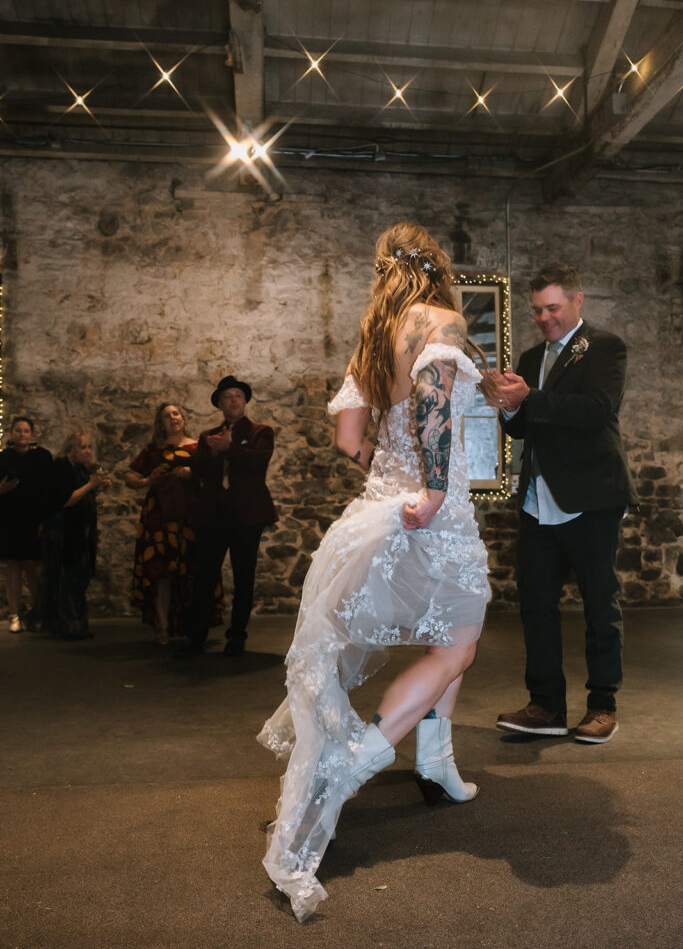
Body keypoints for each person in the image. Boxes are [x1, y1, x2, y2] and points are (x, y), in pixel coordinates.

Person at [257, 223, 490, 921]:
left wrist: (391, 479)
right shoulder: (439, 321)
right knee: (456, 645)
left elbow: (348, 438)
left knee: (447, 636)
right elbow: (432, 405)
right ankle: (364, 752)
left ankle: (436, 764)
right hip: (430, 511)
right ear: (438, 269)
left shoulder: (372, 335)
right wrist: (435, 488)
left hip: (379, 509)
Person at [485, 263, 637, 744]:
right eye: (537, 311)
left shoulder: (606, 347)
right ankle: (546, 706)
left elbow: (597, 411)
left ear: (578, 300)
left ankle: (602, 706)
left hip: (592, 496)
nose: (545, 318)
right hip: (537, 499)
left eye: (553, 307)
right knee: (535, 605)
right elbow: (524, 428)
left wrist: (531, 397)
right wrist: (509, 408)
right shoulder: (530, 357)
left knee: (599, 603)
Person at [181, 375, 277, 657]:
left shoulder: (261, 432)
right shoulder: (208, 435)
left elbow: (258, 463)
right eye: (227, 397)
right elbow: (198, 471)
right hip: (213, 515)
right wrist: (210, 453)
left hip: (246, 516)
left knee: (244, 576)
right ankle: (196, 638)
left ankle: (237, 637)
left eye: (237, 396)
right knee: (204, 577)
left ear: (245, 402)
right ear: (220, 405)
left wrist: (229, 448)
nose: (232, 401)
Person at [126, 403, 222, 645]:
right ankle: (162, 624)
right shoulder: (153, 449)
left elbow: (213, 474)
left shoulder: (196, 446)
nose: (172, 418)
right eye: (166, 416)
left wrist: (194, 473)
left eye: (176, 413)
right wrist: (147, 480)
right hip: (159, 515)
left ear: (183, 417)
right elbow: (131, 476)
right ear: (161, 423)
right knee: (160, 571)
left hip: (191, 515)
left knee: (193, 568)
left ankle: (192, 624)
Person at [40, 430, 110, 640]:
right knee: (67, 579)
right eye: (83, 447)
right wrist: (92, 485)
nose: (88, 451)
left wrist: (97, 488)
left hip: (79, 530)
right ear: (72, 449)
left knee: (79, 578)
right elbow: (67, 499)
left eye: (89, 447)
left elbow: (82, 497)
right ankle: (67, 626)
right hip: (64, 532)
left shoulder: (79, 468)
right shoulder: (62, 467)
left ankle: (77, 625)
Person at [0, 416, 53, 632]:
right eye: (18, 431)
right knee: (12, 565)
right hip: (9, 518)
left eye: (25, 431)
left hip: (34, 518)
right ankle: (14, 614)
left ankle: (38, 611)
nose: (22, 435)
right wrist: (2, 489)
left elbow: (48, 489)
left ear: (32, 434)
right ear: (11, 434)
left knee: (33, 565)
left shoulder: (42, 457)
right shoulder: (3, 458)